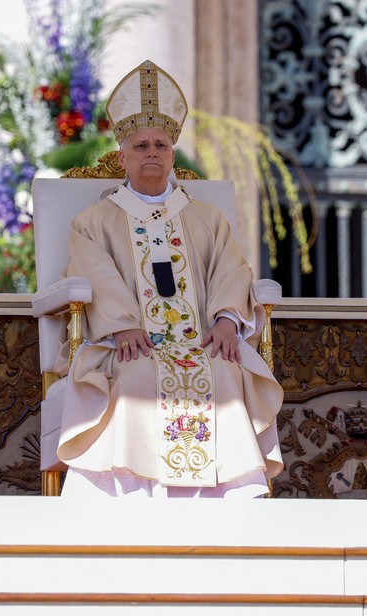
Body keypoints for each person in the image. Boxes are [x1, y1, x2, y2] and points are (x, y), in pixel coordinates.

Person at [55, 60, 284, 497]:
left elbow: (233, 269)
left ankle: (228, 499)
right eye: (141, 145)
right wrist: (122, 324)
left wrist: (225, 321)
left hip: (201, 340)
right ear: (122, 156)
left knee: (224, 375)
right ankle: (137, 496)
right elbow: (92, 271)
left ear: (172, 154)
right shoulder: (94, 221)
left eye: (161, 144)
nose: (152, 153)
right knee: (137, 377)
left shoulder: (206, 217)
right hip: (131, 340)